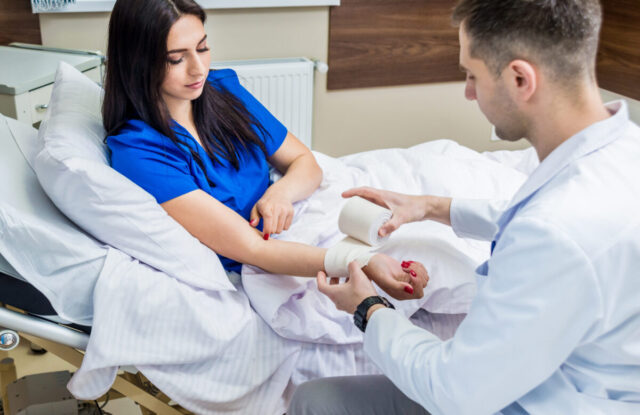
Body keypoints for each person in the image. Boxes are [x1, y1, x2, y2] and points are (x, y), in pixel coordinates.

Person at [289, 0, 640, 414]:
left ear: (519, 79)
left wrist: (367, 308)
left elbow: (454, 393)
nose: (469, 92)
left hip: (545, 401)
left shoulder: (555, 234)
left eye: (472, 75)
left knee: (317, 401)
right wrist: (430, 206)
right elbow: (530, 213)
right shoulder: (623, 148)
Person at [102, 0, 427, 299]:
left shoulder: (221, 90)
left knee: (428, 237)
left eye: (202, 48)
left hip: (302, 213)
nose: (198, 68)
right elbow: (253, 250)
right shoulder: (139, 151)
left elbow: (304, 162)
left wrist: (280, 194)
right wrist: (362, 262)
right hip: (270, 251)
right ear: (137, 62)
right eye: (176, 58)